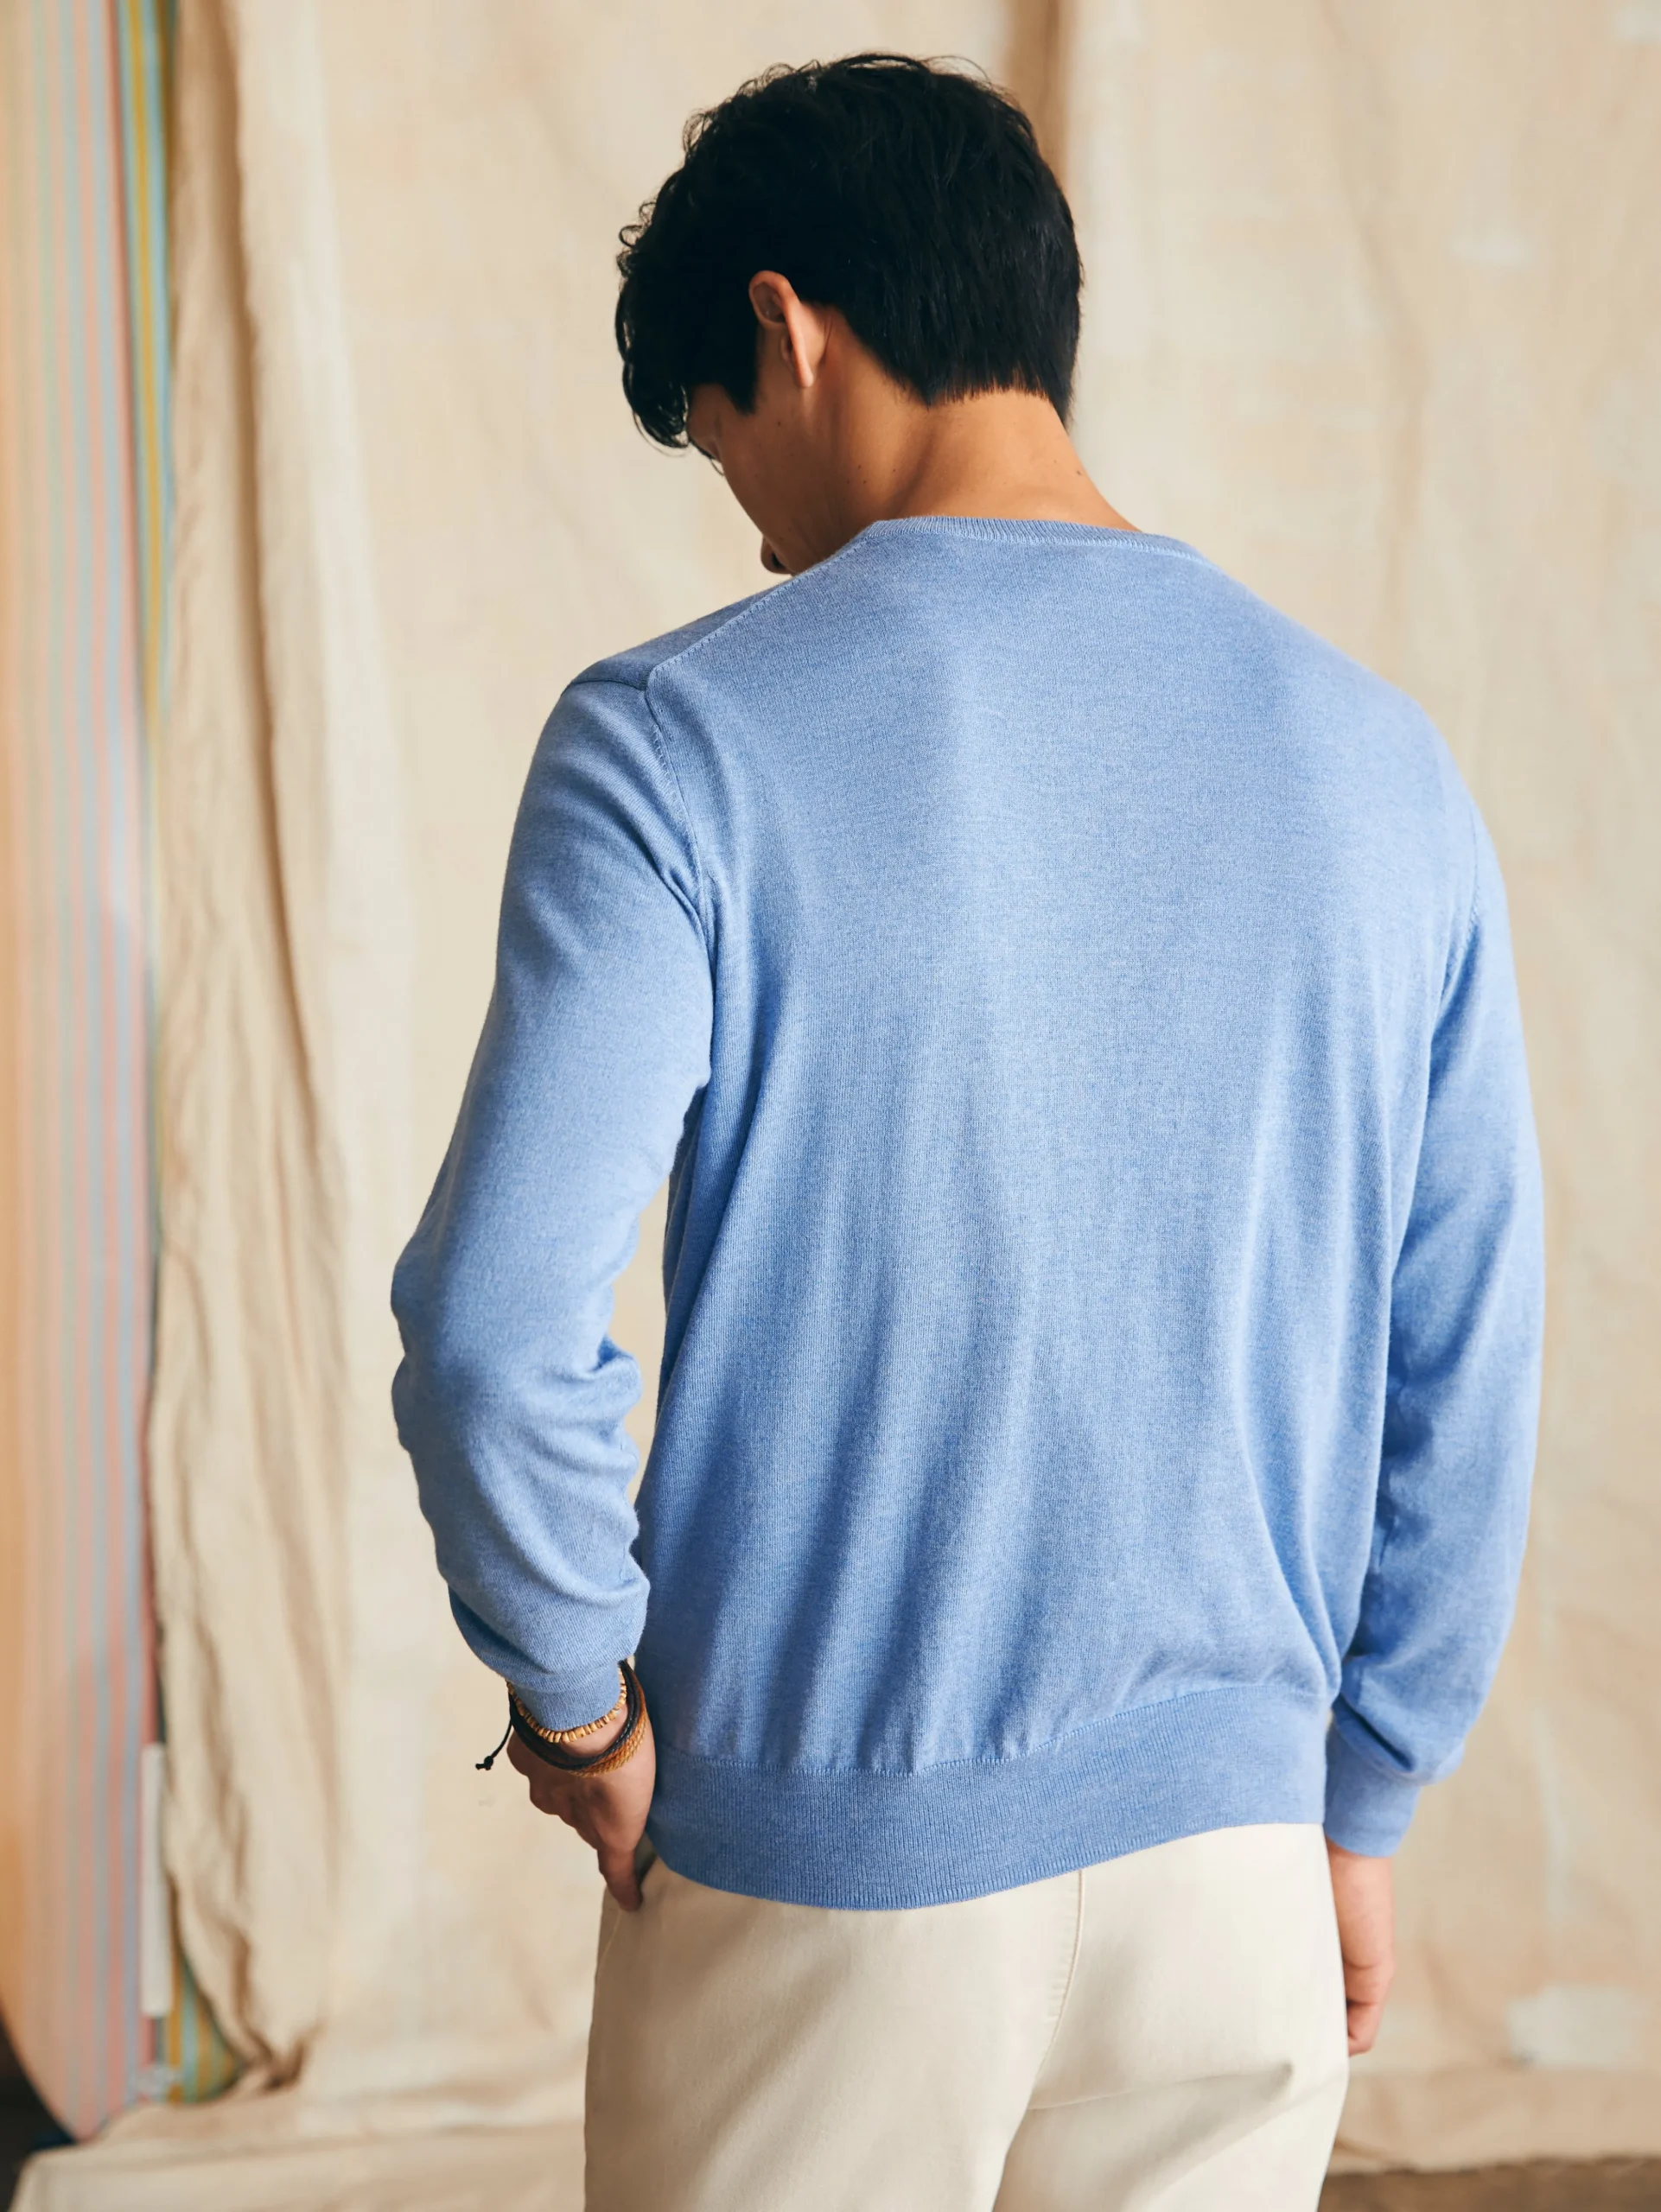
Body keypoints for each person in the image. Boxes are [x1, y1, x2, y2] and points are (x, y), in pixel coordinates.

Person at [391, 53, 1543, 2212]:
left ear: (789, 329)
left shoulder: (675, 741)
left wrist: (576, 1705)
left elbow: (489, 1323)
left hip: (823, 1870)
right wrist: (1360, 1799)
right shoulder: (1383, 764)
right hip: (1241, 1874)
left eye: (722, 442)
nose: (754, 528)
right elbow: (1463, 1359)